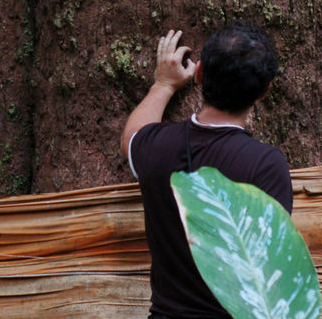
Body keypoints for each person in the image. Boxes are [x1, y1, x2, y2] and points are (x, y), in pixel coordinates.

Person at [121, 24, 293, 319]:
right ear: (265, 92)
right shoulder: (266, 166)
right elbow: (270, 266)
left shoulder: (157, 147)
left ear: (198, 73)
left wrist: (163, 85)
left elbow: (132, 137)